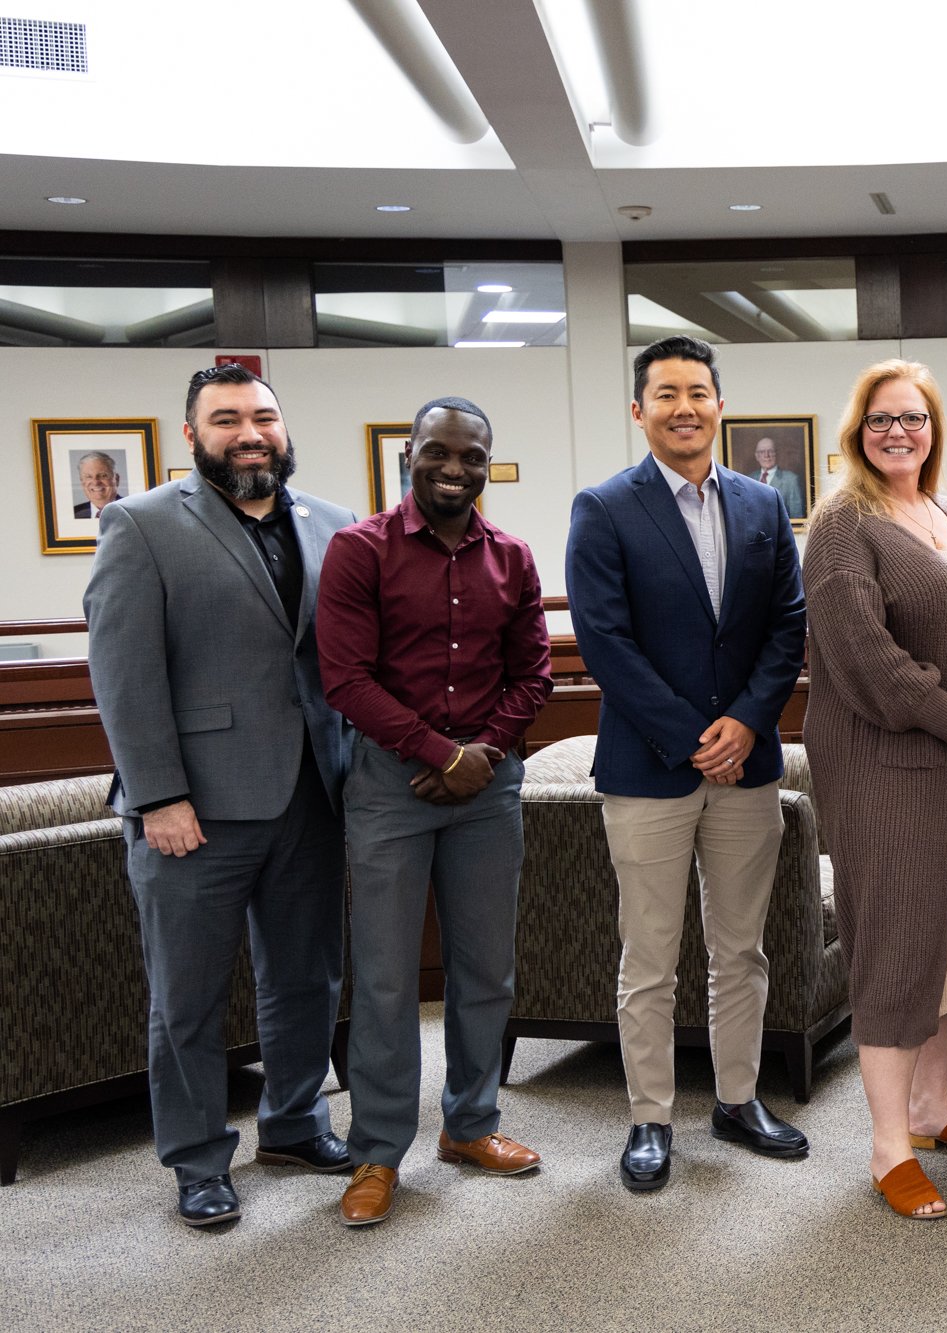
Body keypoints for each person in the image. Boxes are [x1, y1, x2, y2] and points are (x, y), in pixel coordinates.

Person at [83, 364, 355, 1227]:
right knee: (189, 997)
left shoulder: (332, 524)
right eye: (227, 417)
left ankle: (295, 1123)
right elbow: (123, 674)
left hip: (312, 793)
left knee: (308, 980)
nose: (250, 431)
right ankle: (198, 1160)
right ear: (192, 434)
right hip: (191, 809)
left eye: (264, 417)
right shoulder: (143, 523)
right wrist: (158, 794)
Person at [566, 336, 808, 1192]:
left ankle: (738, 1101)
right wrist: (691, 734)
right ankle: (649, 1117)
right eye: (665, 394)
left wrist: (745, 722)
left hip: (747, 766)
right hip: (649, 767)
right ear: (639, 410)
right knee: (651, 954)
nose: (683, 407)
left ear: (718, 405)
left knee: (741, 948)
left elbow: (788, 625)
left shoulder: (761, 505)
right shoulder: (603, 508)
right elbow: (605, 642)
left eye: (698, 392)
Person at [316, 396, 553, 1227]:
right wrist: (438, 752)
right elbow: (344, 678)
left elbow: (534, 675)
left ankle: (472, 1124)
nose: (454, 468)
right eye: (438, 453)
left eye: (472, 456)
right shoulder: (358, 551)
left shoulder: (513, 559)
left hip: (488, 787)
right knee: (384, 978)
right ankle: (377, 1152)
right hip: (390, 786)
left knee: (485, 968)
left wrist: (479, 753)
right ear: (408, 455)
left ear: (489, 462)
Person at [802, 358, 947, 1220]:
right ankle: (889, 1142)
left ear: (934, 428)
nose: (900, 433)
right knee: (897, 943)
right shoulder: (840, 524)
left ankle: (933, 1107)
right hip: (892, 763)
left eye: (916, 419)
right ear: (857, 431)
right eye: (882, 420)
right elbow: (863, 656)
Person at [749, 435, 807, 520]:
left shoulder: (791, 480)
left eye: (770, 451)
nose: (766, 455)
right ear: (757, 456)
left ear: (776, 454)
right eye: (762, 452)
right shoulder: (749, 479)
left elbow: (797, 515)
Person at [74, 450, 123, 518]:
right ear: (82, 482)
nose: (95, 482)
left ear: (116, 479)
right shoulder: (75, 513)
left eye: (103, 475)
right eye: (89, 476)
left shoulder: (131, 510)